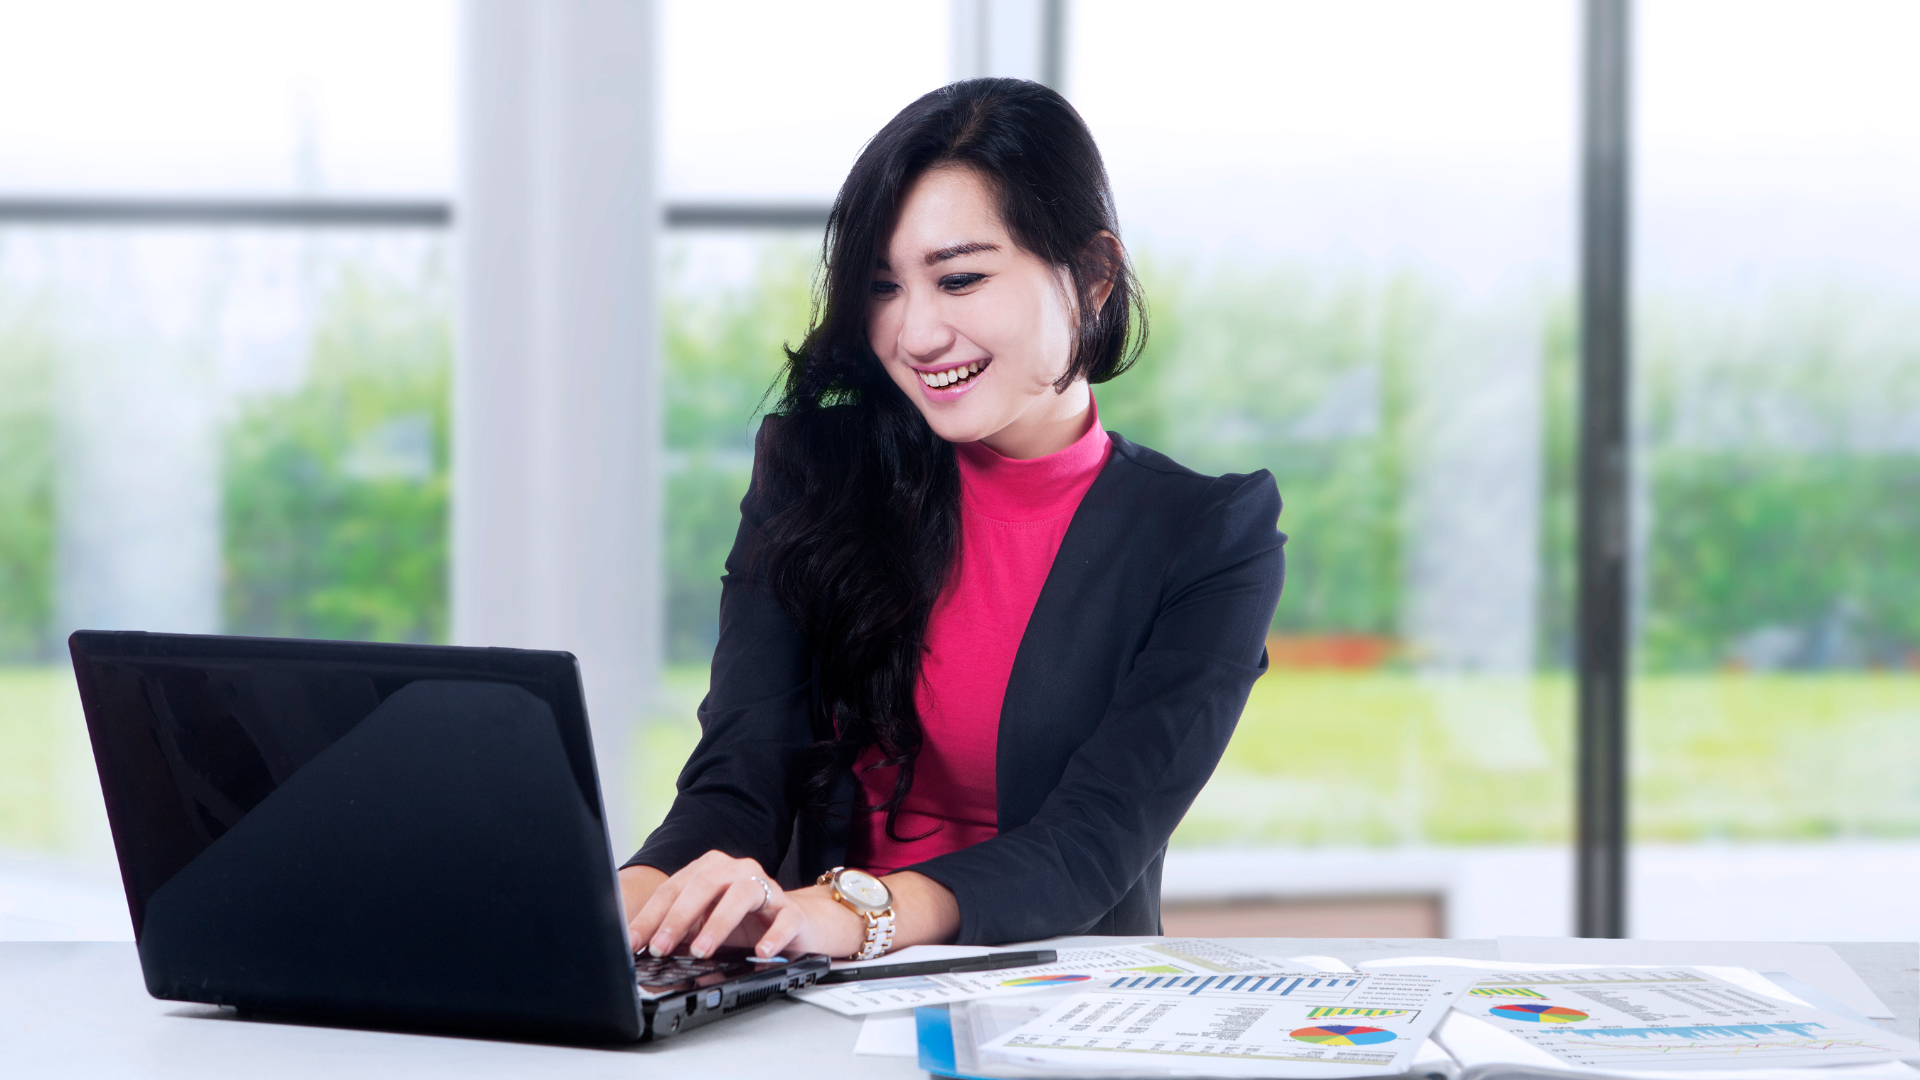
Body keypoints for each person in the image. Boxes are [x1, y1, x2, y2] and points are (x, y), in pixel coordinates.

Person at [618, 78, 1284, 962]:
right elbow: (739, 776)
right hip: (806, 988)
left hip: (1059, 999)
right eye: (884, 287)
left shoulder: (1208, 535)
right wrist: (626, 896)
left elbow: (1089, 848)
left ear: (1091, 276)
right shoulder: (815, 471)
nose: (917, 333)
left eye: (960, 278)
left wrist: (854, 913)